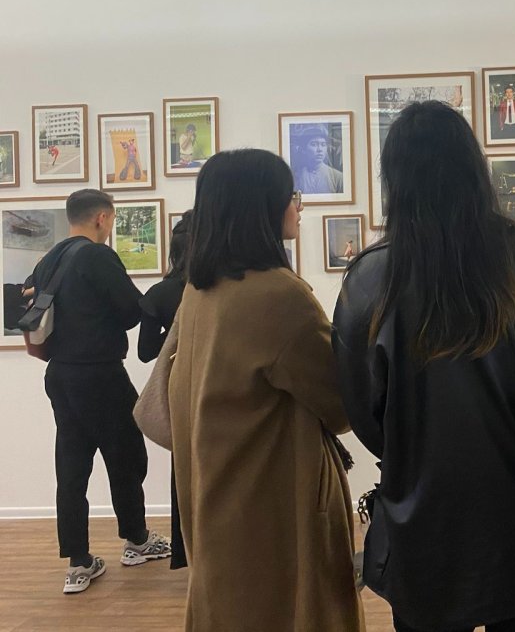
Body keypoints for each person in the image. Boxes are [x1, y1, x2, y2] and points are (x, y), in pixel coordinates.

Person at [333, 100, 515, 632]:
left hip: (424, 522)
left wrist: (415, 445)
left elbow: (363, 411)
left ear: (394, 180)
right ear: (475, 168)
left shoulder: (369, 280)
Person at [169, 150, 362, 631]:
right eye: (291, 195)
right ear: (262, 206)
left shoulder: (200, 290)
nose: (299, 205)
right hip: (273, 502)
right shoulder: (278, 295)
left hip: (218, 496)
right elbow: (340, 405)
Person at [29, 189, 168, 594]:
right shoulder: (97, 256)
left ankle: (78, 563)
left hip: (60, 374)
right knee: (126, 456)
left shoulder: (49, 259)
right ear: (102, 218)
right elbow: (130, 312)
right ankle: (137, 541)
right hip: (100, 373)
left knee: (71, 466)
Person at [137, 210, 192, 571]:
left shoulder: (159, 293)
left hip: (178, 388)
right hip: (218, 385)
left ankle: (185, 551)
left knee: (183, 467)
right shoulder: (214, 290)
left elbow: (145, 351)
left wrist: (174, 336)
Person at [294, 125, 344, 195]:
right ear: (304, 149)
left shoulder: (338, 177)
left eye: (323, 145)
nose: (320, 149)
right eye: (314, 144)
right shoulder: (296, 176)